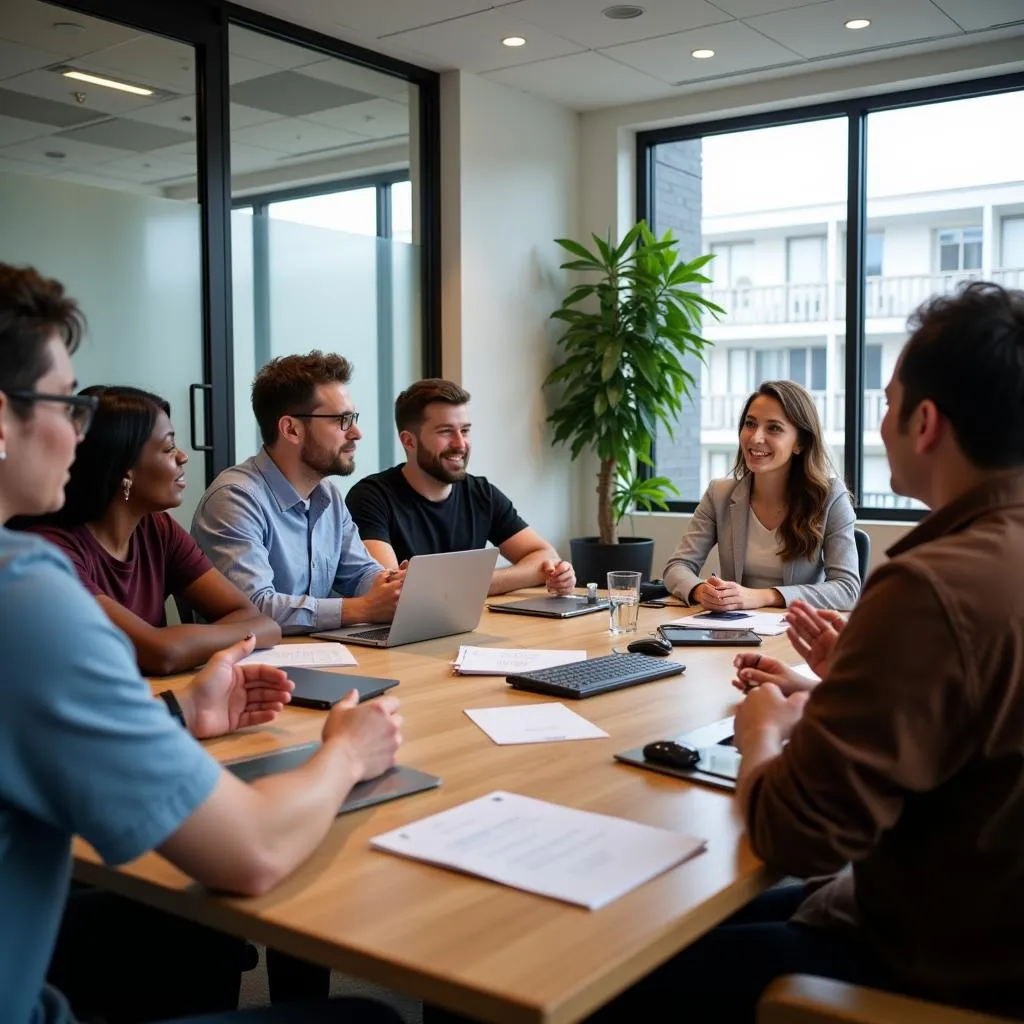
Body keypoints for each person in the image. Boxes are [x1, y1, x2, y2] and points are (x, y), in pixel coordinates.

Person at [594, 281, 1024, 1022]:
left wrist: (764, 730)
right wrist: (837, 692)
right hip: (985, 923)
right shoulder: (990, 563)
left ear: (925, 422)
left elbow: (797, 836)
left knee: (610, 967)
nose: (881, 421)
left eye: (887, 403)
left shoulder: (928, 586)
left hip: (923, 960)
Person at [0, 262, 404, 1024]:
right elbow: (249, 851)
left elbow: (246, 621)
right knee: (371, 1018)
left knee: (193, 931)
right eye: (65, 403)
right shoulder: (25, 590)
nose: (77, 432)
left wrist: (182, 716)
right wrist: (347, 752)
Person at [15, 385, 280, 675]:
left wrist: (179, 644)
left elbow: (260, 621)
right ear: (125, 468)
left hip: (153, 701)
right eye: (168, 448)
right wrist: (176, 645)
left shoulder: (158, 528)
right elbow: (160, 653)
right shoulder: (51, 550)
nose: (182, 457)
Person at [192, 352, 404, 634]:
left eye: (353, 418)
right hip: (247, 667)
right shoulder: (234, 499)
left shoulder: (327, 495)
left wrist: (394, 585)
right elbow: (254, 608)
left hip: (316, 658)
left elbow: (360, 572)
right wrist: (363, 609)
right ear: (291, 429)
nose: (356, 432)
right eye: (341, 420)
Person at [346, 379, 575, 597]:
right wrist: (491, 582)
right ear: (409, 441)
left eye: (464, 430)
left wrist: (471, 585)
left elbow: (545, 558)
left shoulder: (481, 494)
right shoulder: (371, 498)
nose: (460, 444)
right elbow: (392, 589)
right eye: (445, 431)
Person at [663, 379, 859, 611]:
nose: (755, 437)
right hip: (732, 630)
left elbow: (847, 589)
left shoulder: (830, 498)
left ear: (800, 443)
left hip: (794, 633)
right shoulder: (719, 495)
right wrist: (699, 590)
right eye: (750, 424)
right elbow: (677, 566)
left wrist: (765, 596)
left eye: (774, 428)